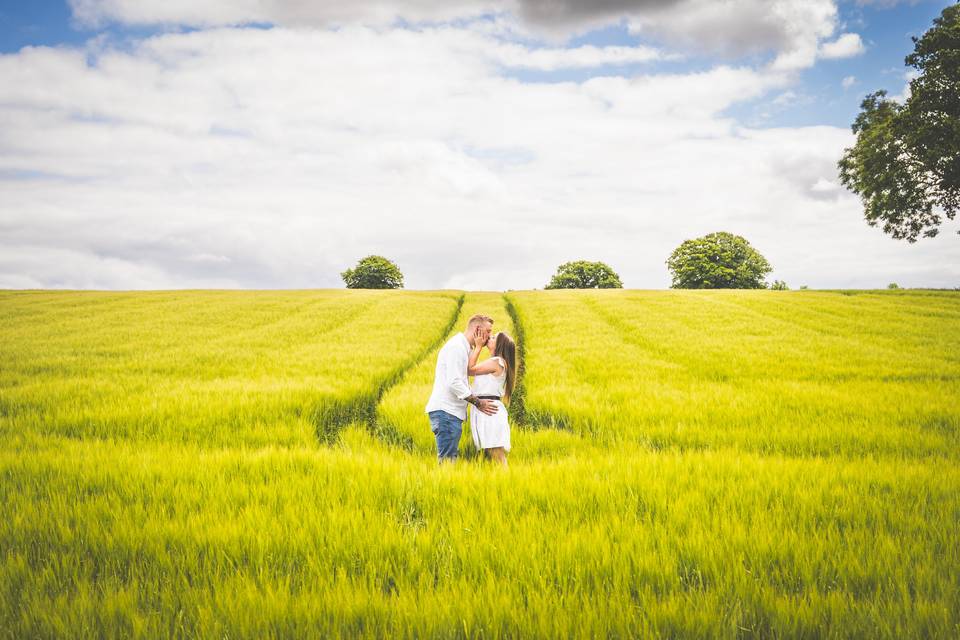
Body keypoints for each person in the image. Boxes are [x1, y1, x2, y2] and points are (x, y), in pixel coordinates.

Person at [425, 314, 499, 463]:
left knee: (449, 461)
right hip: (446, 413)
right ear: (478, 329)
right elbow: (454, 382)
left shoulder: (463, 347)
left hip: (449, 413)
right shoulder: (457, 347)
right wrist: (479, 402)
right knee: (447, 463)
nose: (490, 335)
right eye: (489, 331)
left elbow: (467, 372)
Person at [467, 331, 517, 467]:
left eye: (494, 337)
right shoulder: (497, 362)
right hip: (487, 408)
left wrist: (477, 347)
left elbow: (469, 370)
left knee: (496, 453)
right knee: (492, 451)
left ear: (500, 345)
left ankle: (507, 482)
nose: (490, 337)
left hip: (489, 410)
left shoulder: (497, 362)